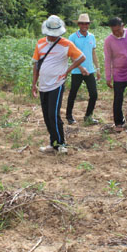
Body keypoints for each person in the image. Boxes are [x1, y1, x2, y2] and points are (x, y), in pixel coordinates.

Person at [31, 15, 86, 154]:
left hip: (57, 84)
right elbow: (36, 65)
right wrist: (34, 84)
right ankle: (53, 143)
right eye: (50, 34)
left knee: (53, 114)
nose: (52, 37)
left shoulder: (66, 44)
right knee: (46, 116)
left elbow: (81, 57)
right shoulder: (40, 43)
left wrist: (67, 70)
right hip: (43, 85)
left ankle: (61, 144)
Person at [66, 13, 100, 125]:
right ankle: (69, 116)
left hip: (90, 70)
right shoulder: (73, 37)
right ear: (79, 24)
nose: (84, 25)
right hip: (77, 70)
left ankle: (88, 116)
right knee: (73, 93)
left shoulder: (92, 36)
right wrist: (79, 67)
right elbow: (71, 55)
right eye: (82, 23)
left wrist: (98, 68)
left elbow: (93, 52)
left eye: (86, 23)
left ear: (89, 24)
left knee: (94, 94)